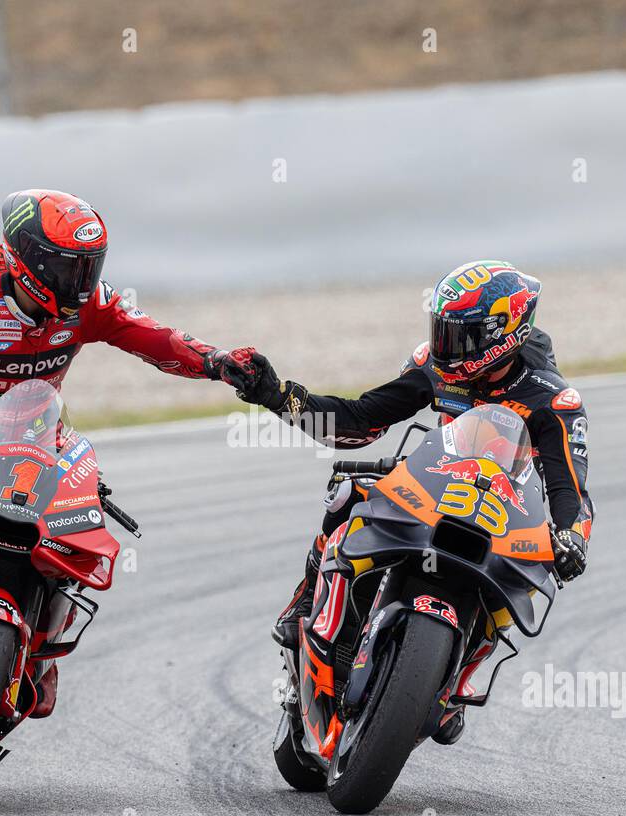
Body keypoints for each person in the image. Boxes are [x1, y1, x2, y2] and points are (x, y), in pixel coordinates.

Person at [0, 189, 263, 718]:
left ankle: (40, 654)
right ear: (25, 260)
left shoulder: (92, 305)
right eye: (65, 267)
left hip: (34, 446)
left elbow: (156, 339)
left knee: (73, 534)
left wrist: (214, 360)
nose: (80, 282)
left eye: (88, 267)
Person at [234, 260, 594, 744]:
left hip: (500, 512)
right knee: (350, 491)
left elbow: (570, 490)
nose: (446, 347)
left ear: (506, 335)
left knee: (531, 574)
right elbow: (362, 420)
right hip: (433, 490)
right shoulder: (434, 367)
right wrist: (279, 397)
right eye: (442, 331)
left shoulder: (554, 401)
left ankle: (457, 677)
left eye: (461, 337)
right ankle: (307, 596)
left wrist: (571, 537)